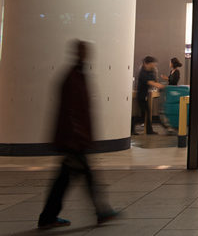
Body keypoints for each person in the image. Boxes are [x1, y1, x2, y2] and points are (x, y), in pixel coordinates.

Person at [38, 41, 117, 229]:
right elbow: (73, 111)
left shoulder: (77, 75)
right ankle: (101, 210)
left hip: (73, 138)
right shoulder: (74, 77)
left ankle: (48, 216)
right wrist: (79, 137)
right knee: (86, 176)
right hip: (73, 139)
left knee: (64, 180)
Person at [134, 56, 164, 134]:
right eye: (152, 64)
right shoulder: (142, 72)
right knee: (143, 114)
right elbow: (150, 82)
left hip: (144, 95)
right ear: (146, 64)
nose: (153, 66)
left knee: (146, 113)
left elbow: (153, 80)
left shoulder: (149, 71)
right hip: (141, 96)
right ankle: (132, 128)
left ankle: (149, 130)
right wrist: (160, 86)